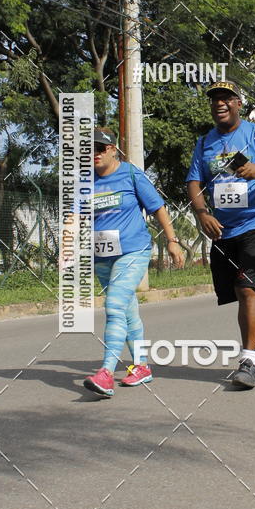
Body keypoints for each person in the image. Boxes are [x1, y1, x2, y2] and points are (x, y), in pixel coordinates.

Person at [186, 81, 255, 390]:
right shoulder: (204, 143)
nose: (220, 103)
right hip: (224, 229)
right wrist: (202, 213)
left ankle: (247, 362)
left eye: (226, 98)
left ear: (238, 103)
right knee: (244, 292)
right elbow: (194, 182)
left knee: (247, 287)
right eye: (215, 100)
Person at [82, 128, 184, 397]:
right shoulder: (85, 181)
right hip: (101, 255)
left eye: (100, 148)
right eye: (89, 149)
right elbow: (75, 216)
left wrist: (172, 241)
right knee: (127, 311)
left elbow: (157, 207)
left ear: (113, 149)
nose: (94, 153)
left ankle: (105, 373)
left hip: (133, 251)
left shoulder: (130, 174)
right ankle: (141, 366)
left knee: (114, 305)